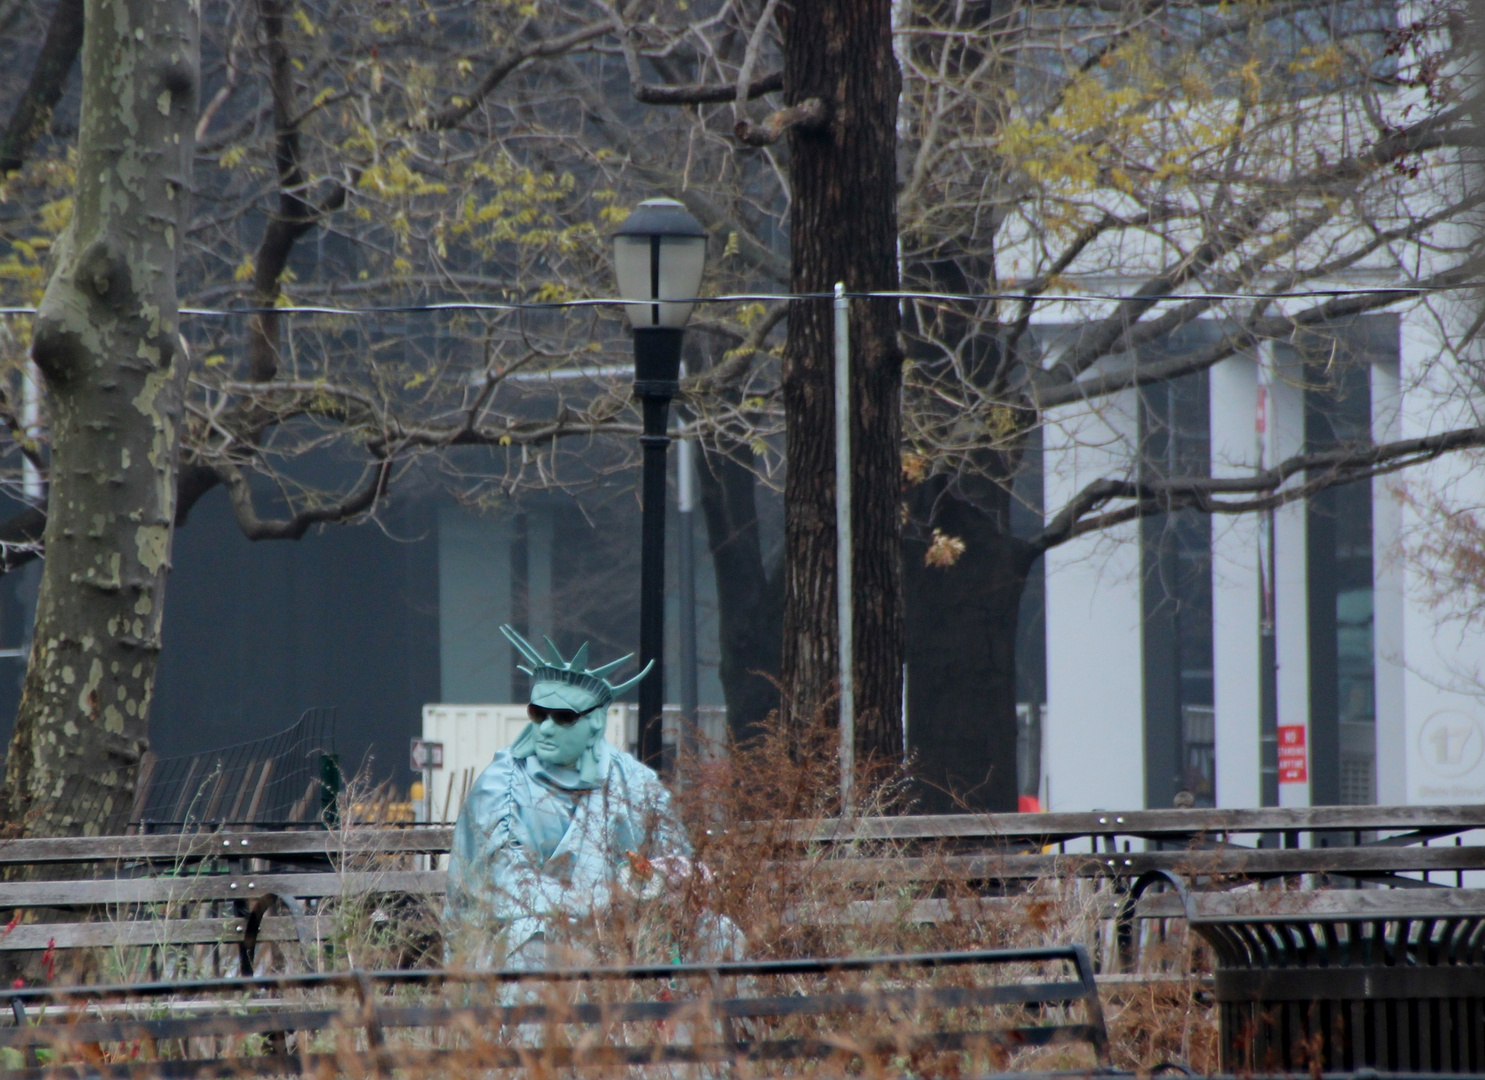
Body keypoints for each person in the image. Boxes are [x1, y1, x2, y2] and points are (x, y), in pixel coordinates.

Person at [443, 625, 737, 968]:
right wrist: (608, 900)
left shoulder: (637, 784)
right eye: (538, 714)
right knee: (534, 940)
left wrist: (670, 877)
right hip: (520, 939)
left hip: (627, 935)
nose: (547, 727)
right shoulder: (501, 786)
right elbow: (508, 891)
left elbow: (680, 869)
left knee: (720, 933)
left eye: (563, 716)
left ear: (595, 723)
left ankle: (709, 1022)